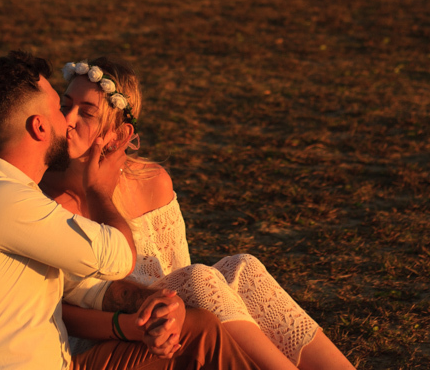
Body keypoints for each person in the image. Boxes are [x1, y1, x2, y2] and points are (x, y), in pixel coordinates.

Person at [0, 50, 264, 370]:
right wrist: (99, 190)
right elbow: (117, 256)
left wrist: (159, 306)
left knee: (195, 326)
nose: (68, 121)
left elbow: (84, 289)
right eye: (60, 108)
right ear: (39, 127)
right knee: (198, 330)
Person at [42, 57, 357, 370]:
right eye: (65, 106)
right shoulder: (49, 198)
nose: (67, 119)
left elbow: (176, 274)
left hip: (171, 323)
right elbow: (60, 307)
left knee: (242, 267)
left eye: (86, 112)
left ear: (120, 135)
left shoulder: (153, 182)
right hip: (105, 336)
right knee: (197, 278)